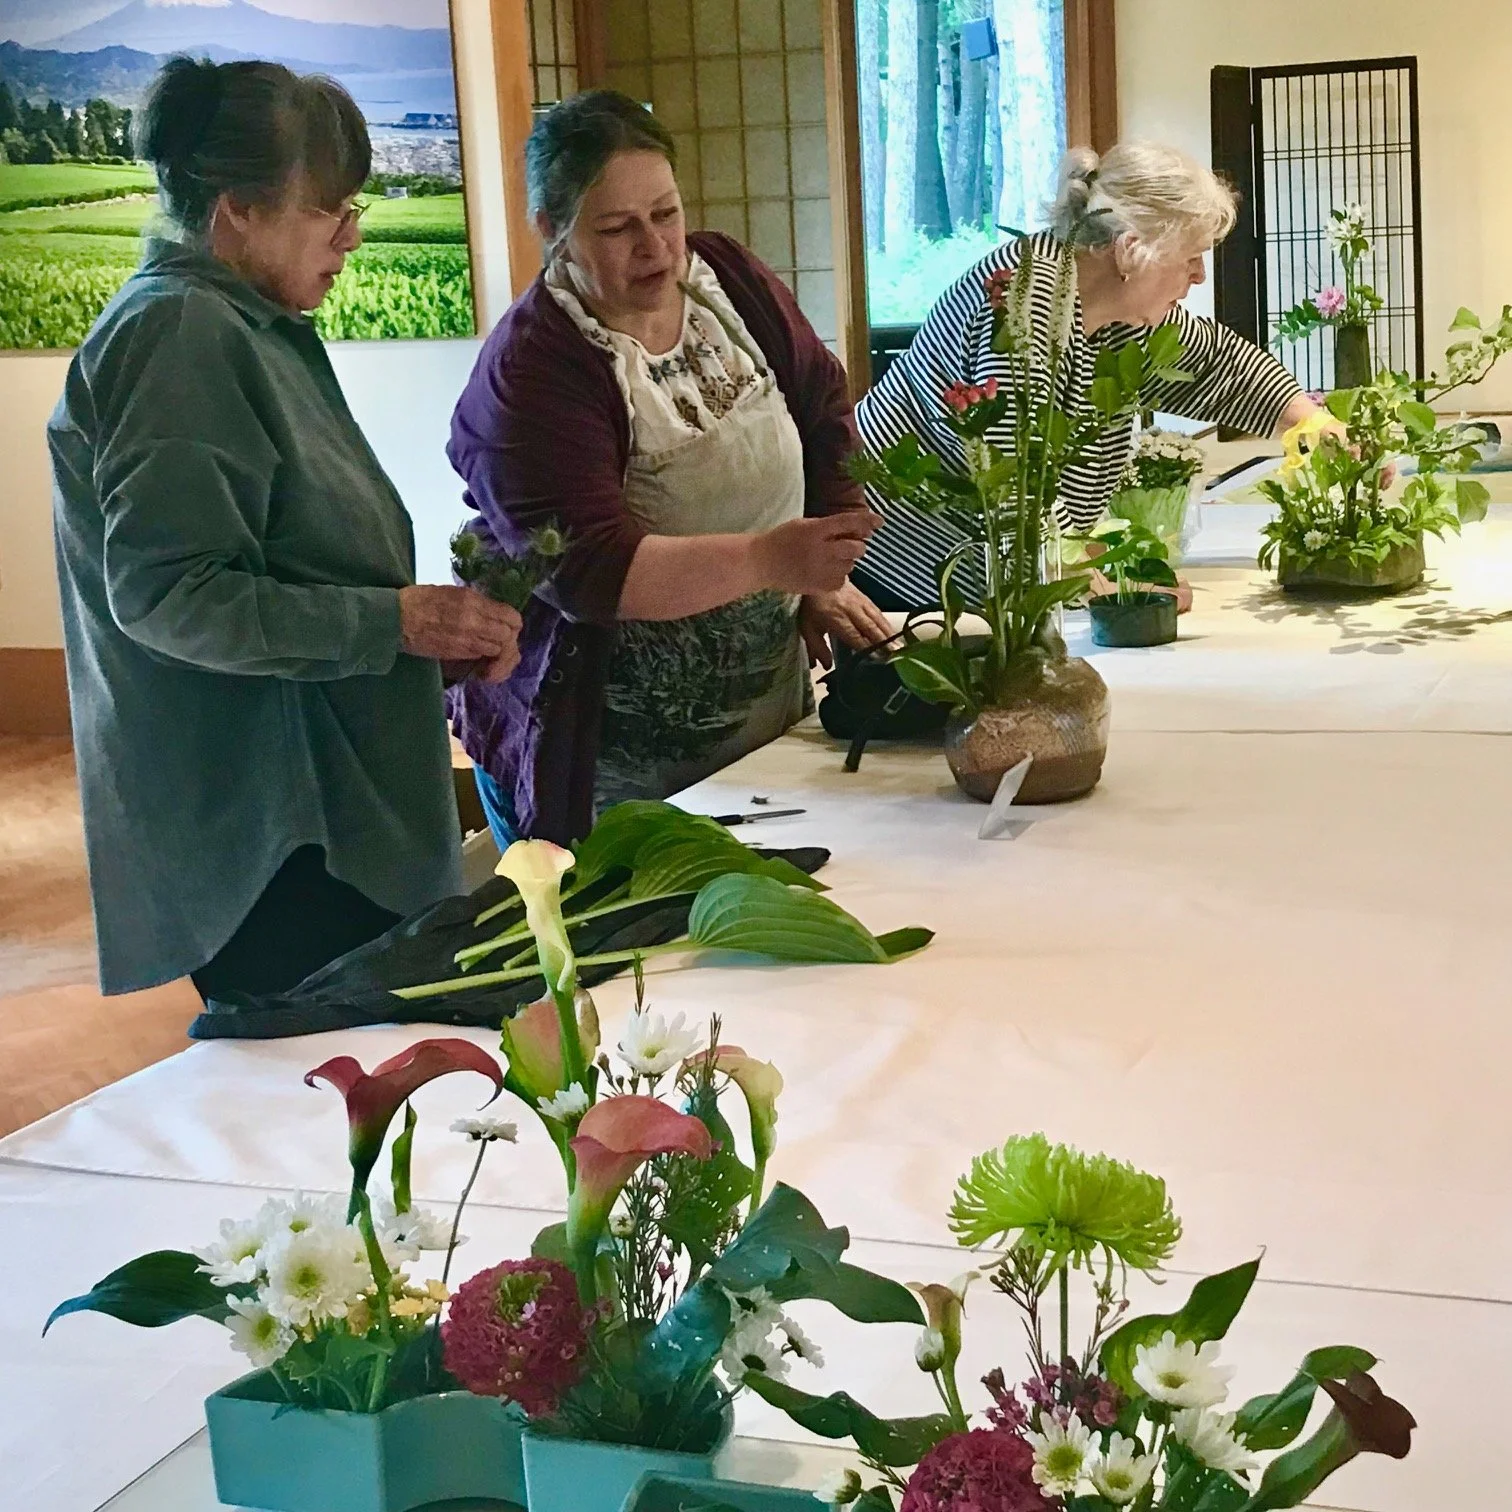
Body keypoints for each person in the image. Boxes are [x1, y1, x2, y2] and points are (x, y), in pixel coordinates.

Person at [49, 58, 521, 1002]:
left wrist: (415, 643)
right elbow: (168, 596)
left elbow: (292, 559)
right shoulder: (180, 332)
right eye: (328, 209)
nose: (352, 235)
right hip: (275, 837)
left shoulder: (235, 319)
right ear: (236, 211)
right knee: (320, 1109)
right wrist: (394, 625)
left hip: (312, 821)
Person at [447, 90, 887, 847]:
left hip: (760, 721)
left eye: (666, 214)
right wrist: (768, 561)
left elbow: (820, 401)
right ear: (553, 233)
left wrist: (821, 572)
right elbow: (591, 572)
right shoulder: (535, 369)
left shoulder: (725, 281)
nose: (655, 247)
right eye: (618, 228)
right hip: (607, 750)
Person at [853, 141, 1320, 609]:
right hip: (896, 561)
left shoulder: (1112, 304)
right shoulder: (1025, 300)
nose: (1198, 276)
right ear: (1130, 250)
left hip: (973, 566)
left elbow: (1214, 363)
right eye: (1190, 258)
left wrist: (1311, 422)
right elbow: (1017, 484)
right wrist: (1109, 588)